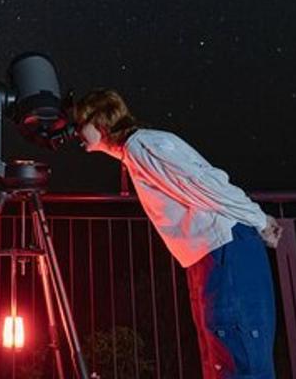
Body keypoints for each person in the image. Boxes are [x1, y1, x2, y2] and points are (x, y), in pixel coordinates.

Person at [74, 89, 282, 379]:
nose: (75, 131)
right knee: (224, 361)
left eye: (78, 121)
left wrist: (260, 219)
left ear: (100, 119)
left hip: (224, 250)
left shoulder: (142, 146)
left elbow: (206, 184)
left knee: (240, 360)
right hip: (211, 254)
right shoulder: (136, 151)